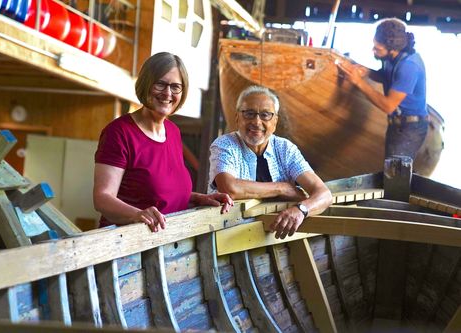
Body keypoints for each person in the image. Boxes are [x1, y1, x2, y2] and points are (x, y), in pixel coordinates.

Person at [93, 52, 233, 232]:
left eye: (175, 87)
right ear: (146, 84)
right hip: (124, 247)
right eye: (160, 84)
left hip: (163, 245)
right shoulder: (119, 133)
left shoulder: (173, 131)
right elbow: (102, 198)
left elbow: (160, 192)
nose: (167, 93)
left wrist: (197, 198)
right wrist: (137, 214)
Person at [208, 85, 332, 239]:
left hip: (273, 235)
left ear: (275, 121)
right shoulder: (224, 144)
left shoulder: (285, 148)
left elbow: (324, 194)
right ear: (237, 118)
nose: (257, 122)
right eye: (249, 114)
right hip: (226, 235)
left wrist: (301, 210)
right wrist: (282, 188)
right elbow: (230, 188)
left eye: (265, 115)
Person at [337, 18, 428, 162]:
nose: (373, 50)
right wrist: (366, 71)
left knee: (396, 174)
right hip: (396, 124)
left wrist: (358, 82)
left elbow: (388, 106)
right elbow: (387, 76)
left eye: (377, 48)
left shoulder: (409, 66)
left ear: (392, 49)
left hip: (411, 128)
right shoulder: (391, 58)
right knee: (392, 170)